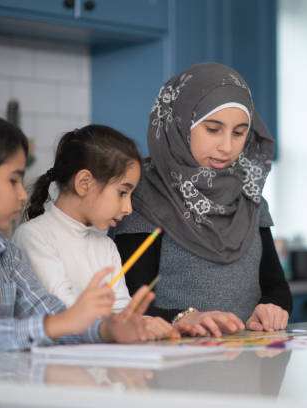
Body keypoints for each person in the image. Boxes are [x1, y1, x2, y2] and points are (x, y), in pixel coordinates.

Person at [0, 110, 175, 354]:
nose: (22, 194)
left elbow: (50, 313)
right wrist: (64, 322)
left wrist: (108, 330)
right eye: (13, 181)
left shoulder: (6, 254)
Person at [113, 62, 292, 336]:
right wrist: (184, 318)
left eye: (239, 132)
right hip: (171, 368)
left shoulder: (249, 194)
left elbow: (277, 288)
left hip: (246, 369)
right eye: (212, 129)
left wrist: (273, 307)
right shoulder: (144, 196)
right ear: (180, 124)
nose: (227, 147)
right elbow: (129, 305)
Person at [12, 125, 172, 338]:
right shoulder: (33, 237)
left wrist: (149, 322)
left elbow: (121, 311)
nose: (128, 208)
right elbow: (63, 313)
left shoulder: (106, 246)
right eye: (122, 193)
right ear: (84, 183)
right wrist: (117, 325)